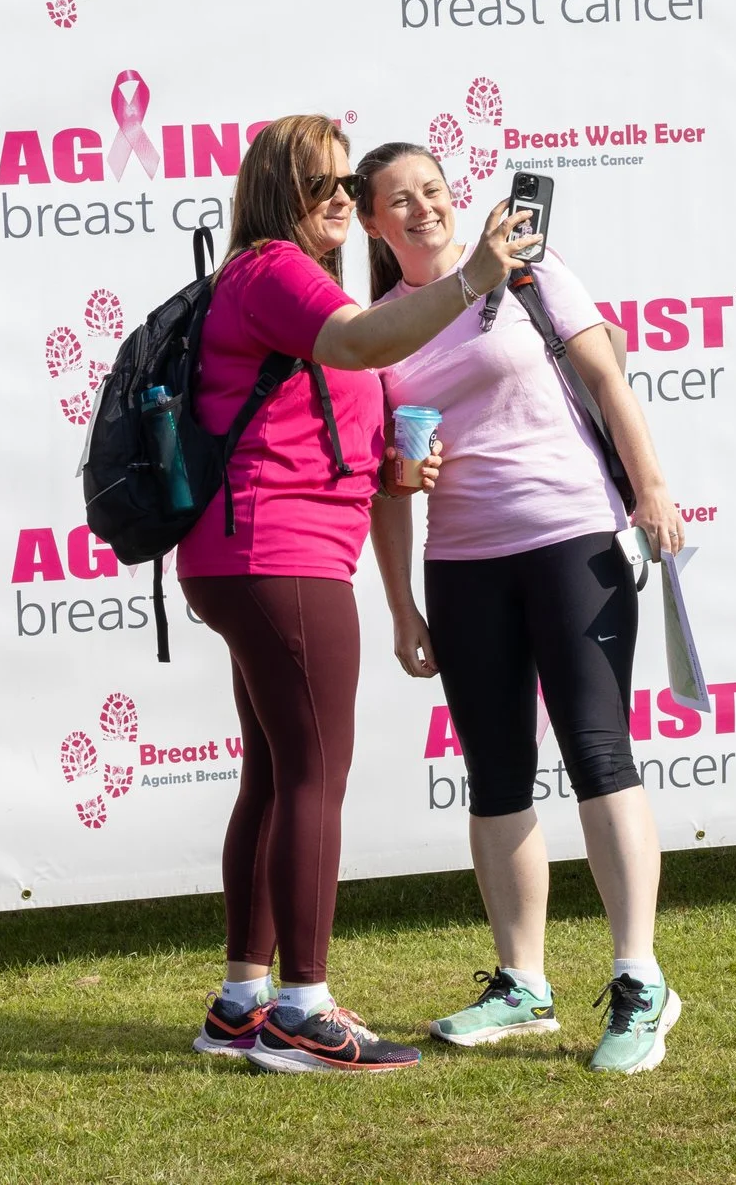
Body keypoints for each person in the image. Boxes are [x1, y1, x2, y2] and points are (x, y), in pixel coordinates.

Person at [180, 115, 529, 1075]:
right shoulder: (276, 271)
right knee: (311, 778)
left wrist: (393, 469)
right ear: (276, 192)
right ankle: (304, 1008)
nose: (342, 194)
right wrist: (473, 278)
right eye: (322, 181)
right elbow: (363, 336)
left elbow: (324, 399)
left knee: (274, 772)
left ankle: (243, 998)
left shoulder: (264, 279)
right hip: (279, 556)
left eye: (346, 180)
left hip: (254, 554)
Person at [361, 141, 690, 1076]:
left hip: (571, 539)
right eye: (399, 200)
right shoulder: (381, 328)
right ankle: (523, 986)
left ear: (454, 197)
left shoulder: (536, 276)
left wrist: (653, 489)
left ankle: (640, 980)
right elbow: (392, 486)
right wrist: (399, 605)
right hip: (461, 562)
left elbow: (606, 380)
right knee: (496, 773)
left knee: (597, 753)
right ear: (377, 224)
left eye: (432, 190)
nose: (422, 208)